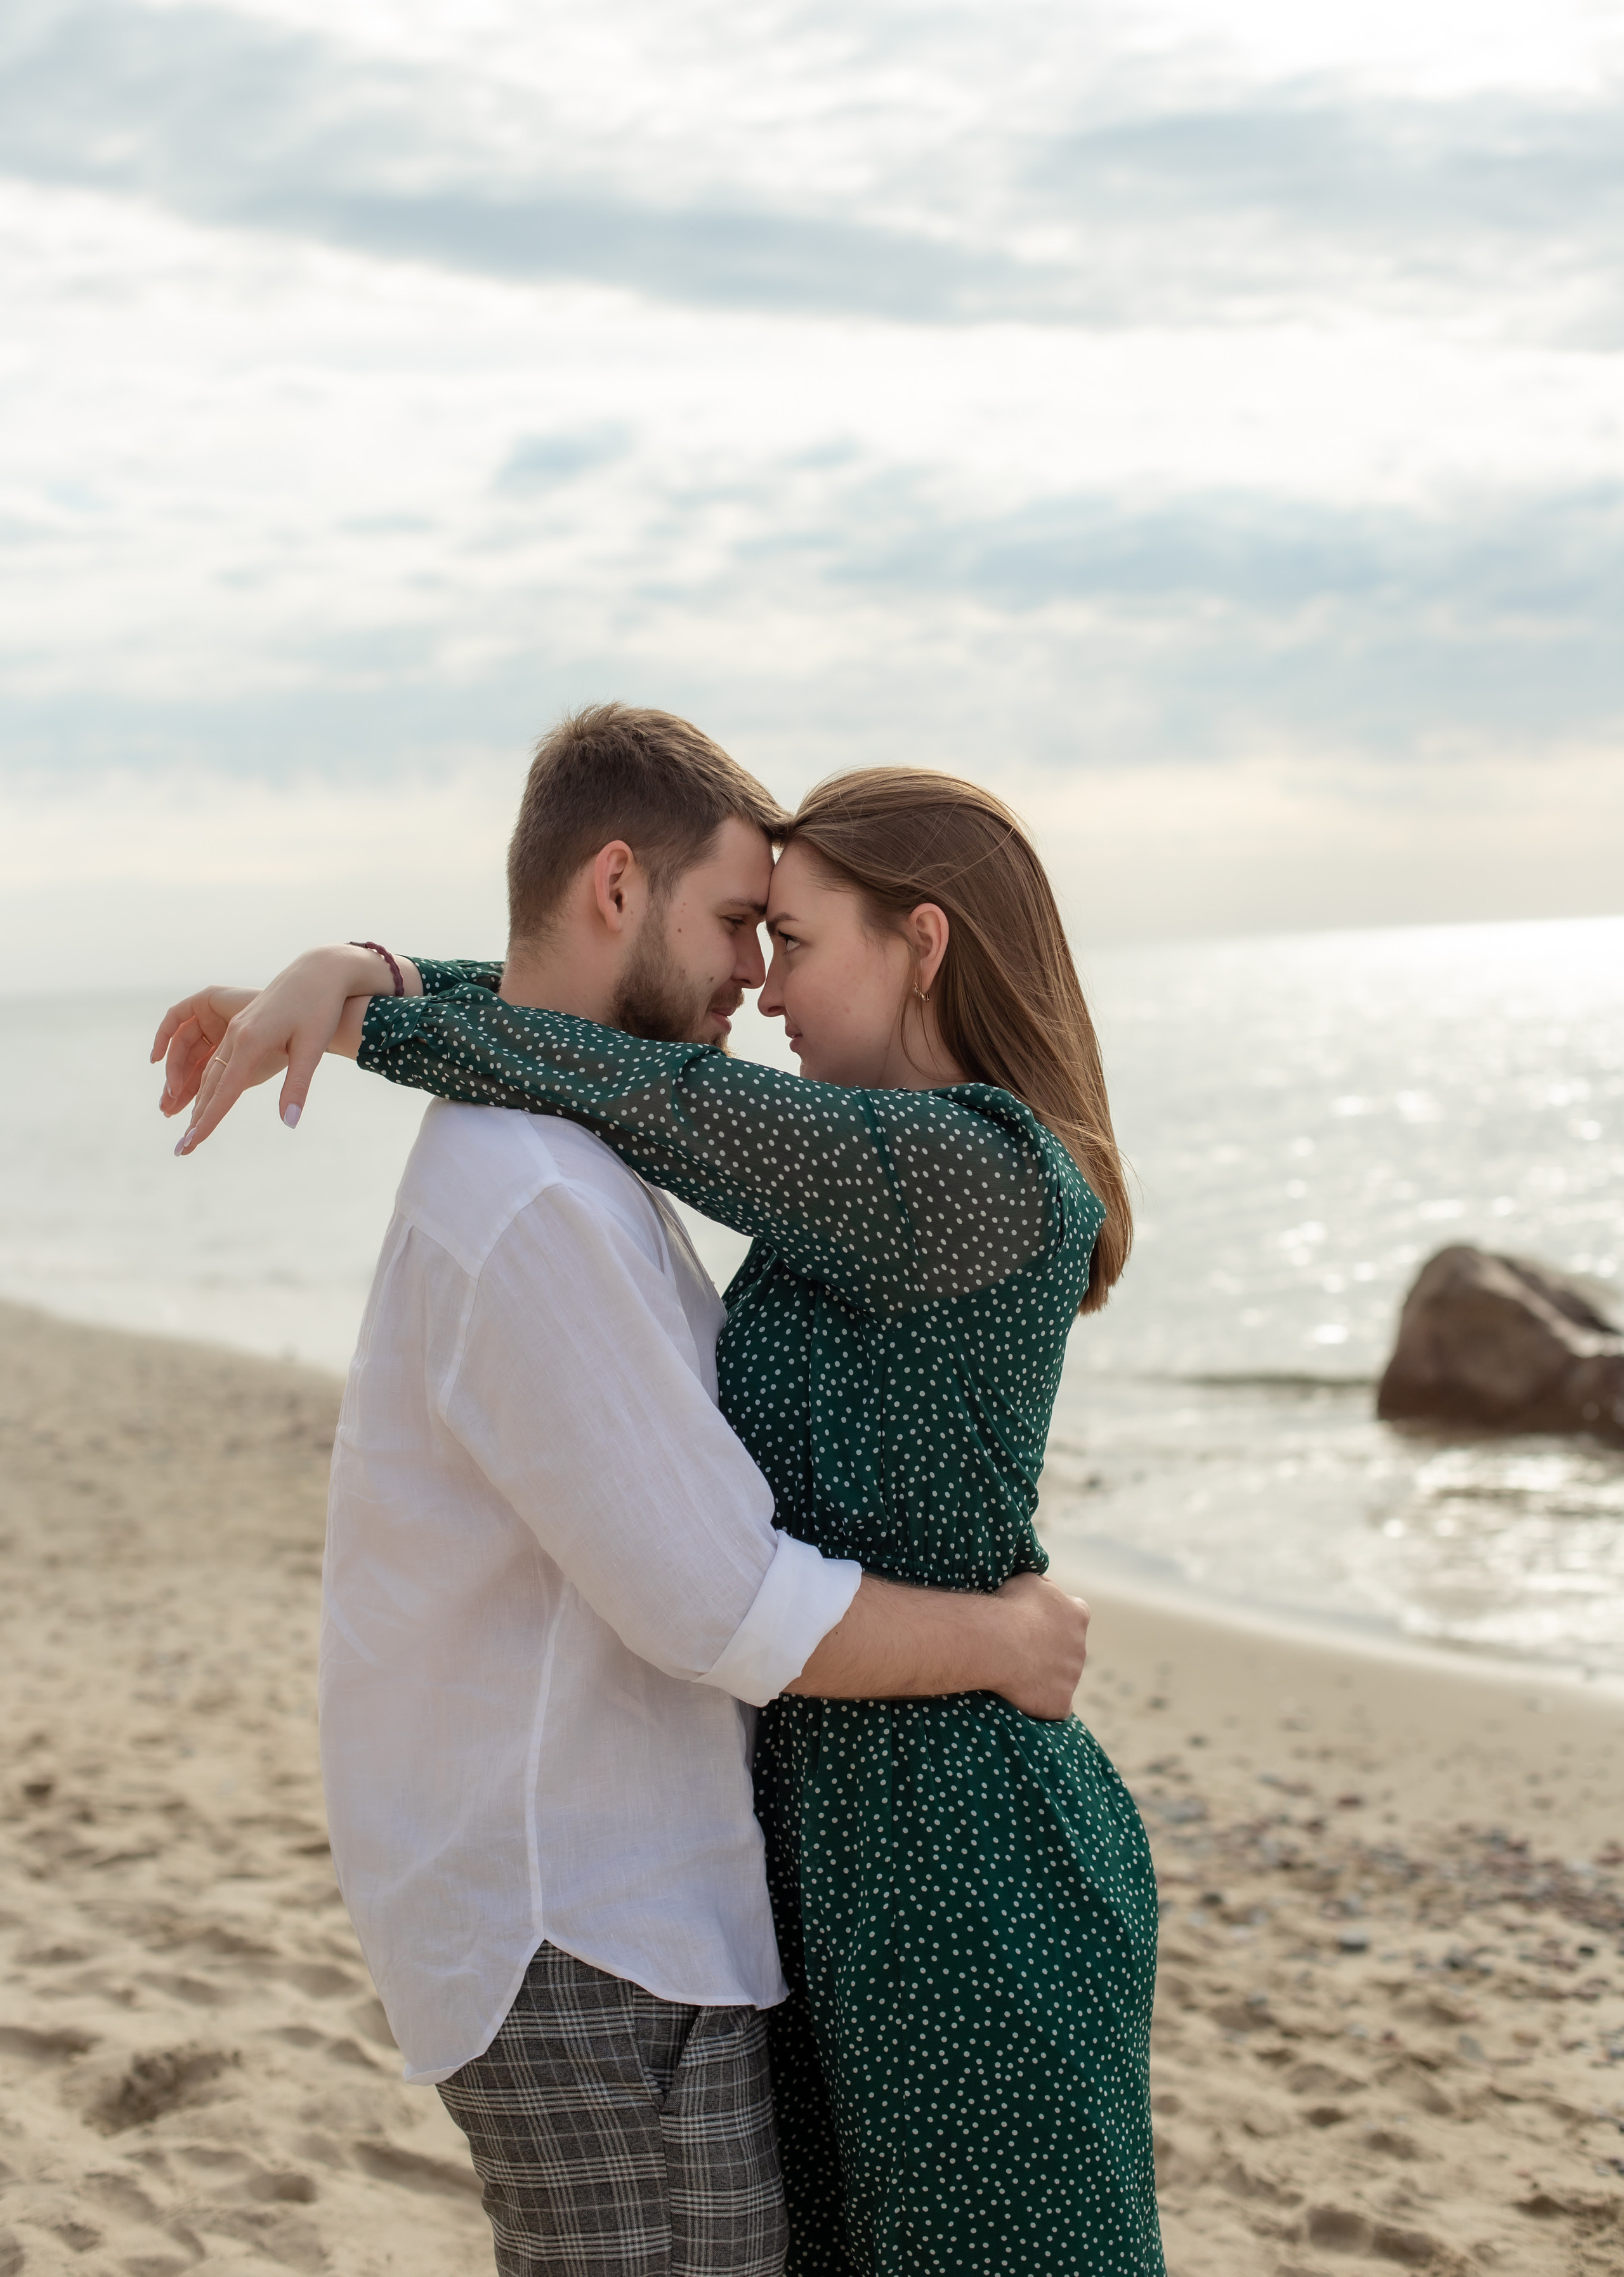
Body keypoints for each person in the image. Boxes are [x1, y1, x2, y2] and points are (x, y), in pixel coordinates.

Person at [164, 714, 1163, 2277]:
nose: (759, 984)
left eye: (791, 940)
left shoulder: (963, 1168)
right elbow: (618, 1060)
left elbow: (651, 1086)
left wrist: (375, 997)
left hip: (953, 1838)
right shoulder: (781, 1165)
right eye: (743, 932)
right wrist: (378, 979)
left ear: (922, 946)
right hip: (815, 1828)